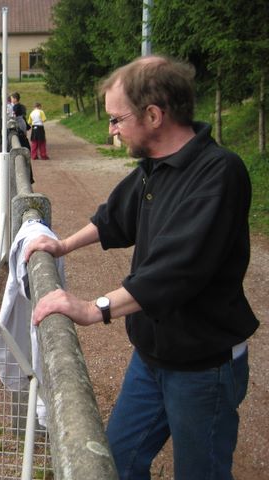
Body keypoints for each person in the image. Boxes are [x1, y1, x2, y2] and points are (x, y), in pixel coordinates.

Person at [24, 55, 258, 479]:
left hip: (203, 366)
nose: (111, 129)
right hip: (151, 357)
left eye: (117, 119)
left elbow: (175, 272)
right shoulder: (154, 166)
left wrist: (93, 309)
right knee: (118, 462)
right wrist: (61, 246)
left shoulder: (219, 173)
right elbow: (114, 216)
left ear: (153, 115)